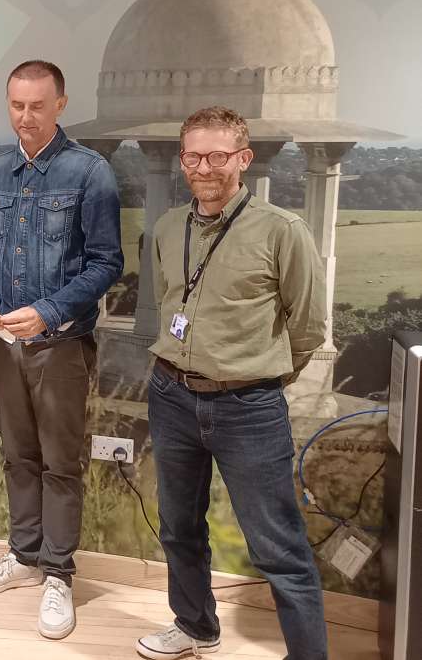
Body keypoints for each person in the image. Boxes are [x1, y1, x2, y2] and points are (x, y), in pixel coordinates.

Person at [137, 106, 328, 660]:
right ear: (182, 160)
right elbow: (173, 302)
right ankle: (196, 626)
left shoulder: (282, 231)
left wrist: (256, 376)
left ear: (243, 159)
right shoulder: (169, 227)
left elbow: (309, 327)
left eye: (219, 156)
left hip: (248, 406)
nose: (206, 167)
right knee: (178, 528)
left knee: (277, 547)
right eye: (194, 156)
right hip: (171, 395)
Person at [0, 60, 123, 640]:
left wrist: (50, 311)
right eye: (16, 106)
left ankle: (58, 572)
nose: (25, 118)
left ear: (60, 104)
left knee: (59, 462)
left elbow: (108, 263)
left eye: (37, 106)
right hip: (1, 345)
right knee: (17, 455)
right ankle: (23, 556)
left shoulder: (90, 172)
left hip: (60, 345)